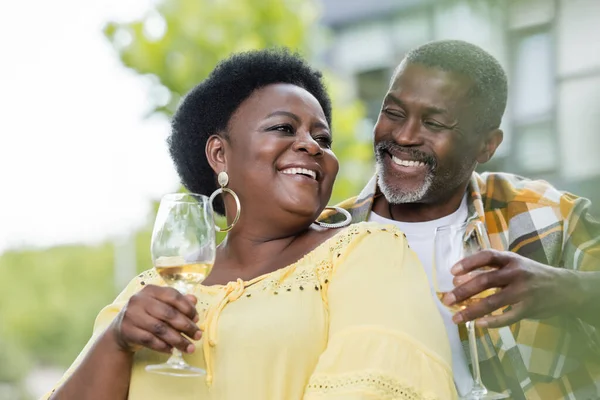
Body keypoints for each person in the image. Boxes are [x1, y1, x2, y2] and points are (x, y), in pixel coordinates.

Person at [44, 49, 457, 399]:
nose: (312, 146)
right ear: (220, 154)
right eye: (283, 128)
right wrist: (117, 341)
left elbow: (381, 385)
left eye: (323, 139)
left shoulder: (368, 251)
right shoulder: (146, 290)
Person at [321, 39, 600, 399]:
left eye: (434, 123)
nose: (403, 136)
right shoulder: (324, 238)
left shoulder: (546, 216)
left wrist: (569, 290)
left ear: (488, 146)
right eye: (393, 113)